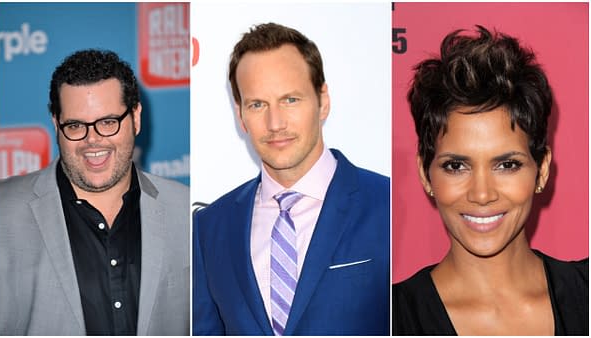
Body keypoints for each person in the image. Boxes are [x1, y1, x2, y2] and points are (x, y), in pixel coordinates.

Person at [193, 22, 390, 335]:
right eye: (258, 104)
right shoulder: (209, 227)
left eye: (290, 100)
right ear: (240, 114)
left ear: (322, 101)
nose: (275, 123)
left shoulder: (385, 204)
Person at [392, 26, 588, 335]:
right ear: (425, 174)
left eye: (507, 164)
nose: (482, 194)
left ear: (542, 169)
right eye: (456, 166)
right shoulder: (389, 319)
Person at [0, 49, 190, 335]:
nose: (92, 139)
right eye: (75, 126)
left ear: (135, 117)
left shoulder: (185, 212)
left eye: (108, 122)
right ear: (56, 125)